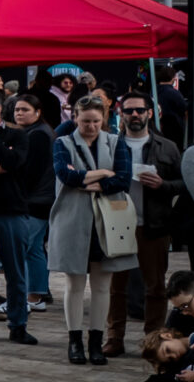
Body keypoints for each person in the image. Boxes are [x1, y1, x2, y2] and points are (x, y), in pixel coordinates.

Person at [50, 94, 138, 367]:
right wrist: (105, 173)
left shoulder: (116, 142)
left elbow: (123, 179)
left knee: (102, 286)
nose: (90, 126)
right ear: (75, 117)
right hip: (73, 219)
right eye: (85, 121)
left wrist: (88, 179)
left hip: (108, 221)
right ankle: (74, 341)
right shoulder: (62, 143)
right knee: (74, 284)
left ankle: (95, 342)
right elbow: (66, 176)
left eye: (96, 121)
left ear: (104, 119)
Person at [0, 89, 53, 348]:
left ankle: (18, 325)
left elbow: (15, 162)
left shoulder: (18, 136)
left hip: (14, 212)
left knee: (16, 271)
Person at [110, 90, 182, 353]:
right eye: (128, 110)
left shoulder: (167, 147)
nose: (135, 115)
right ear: (121, 114)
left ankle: (153, 340)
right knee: (117, 287)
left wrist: (163, 185)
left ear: (150, 113)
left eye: (139, 110)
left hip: (154, 225)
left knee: (155, 287)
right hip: (117, 222)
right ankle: (114, 338)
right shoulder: (111, 145)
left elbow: (182, 183)